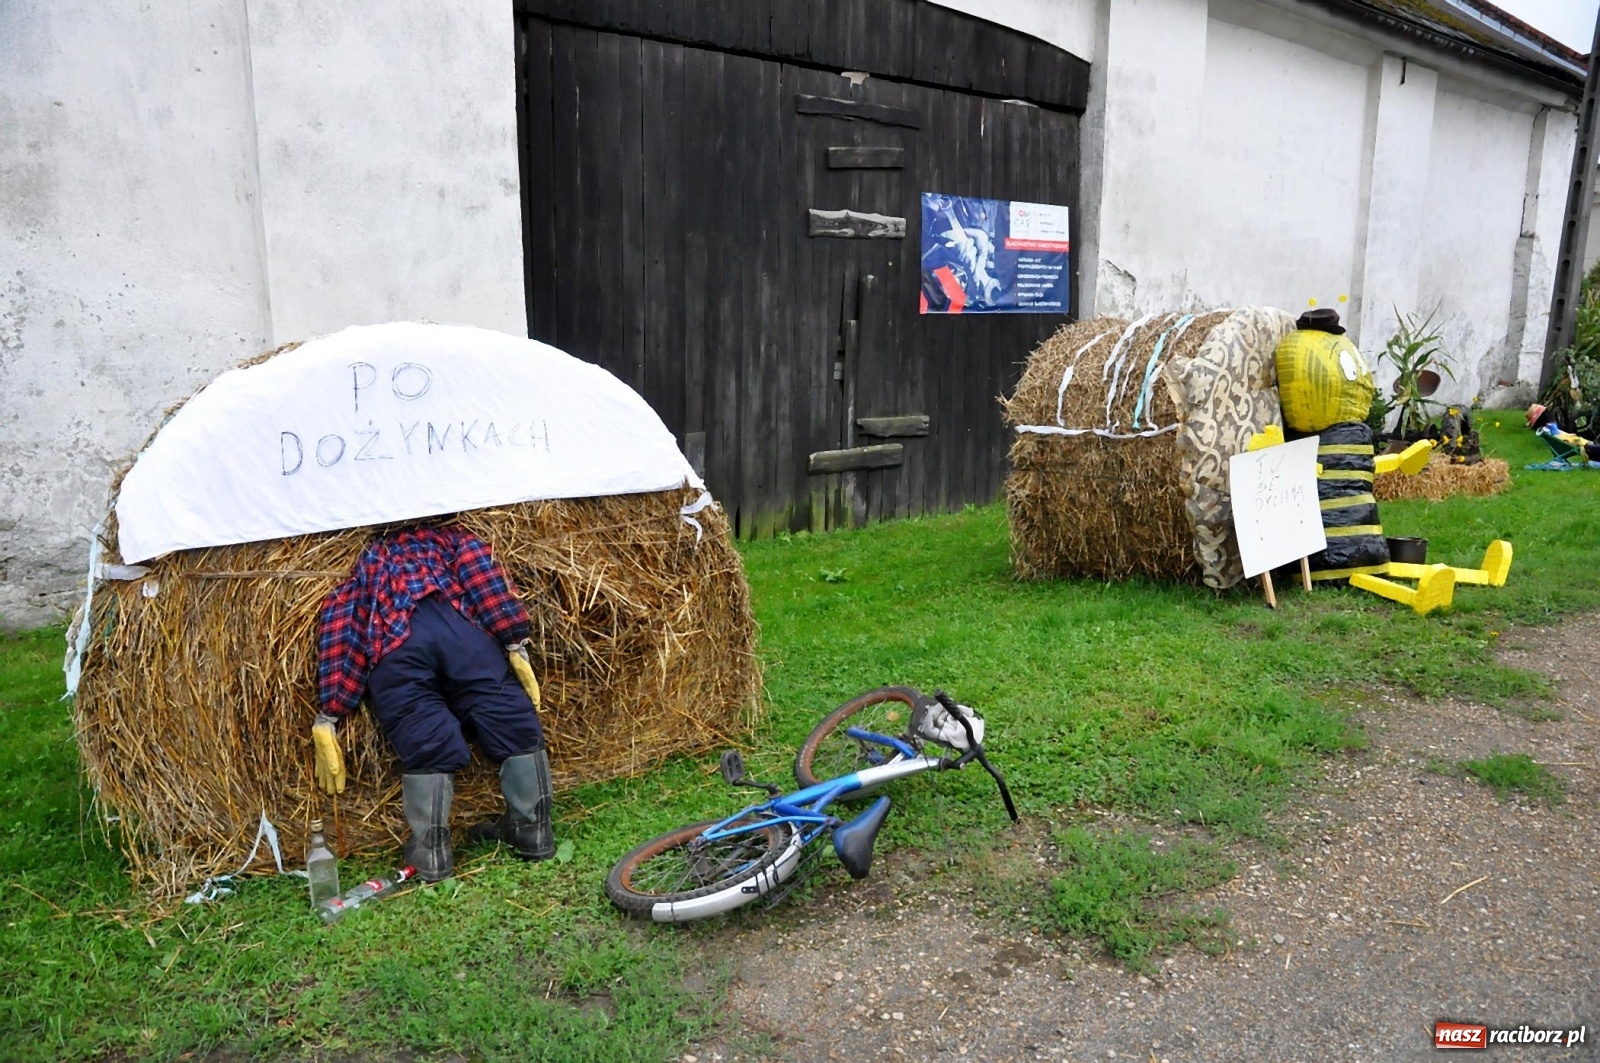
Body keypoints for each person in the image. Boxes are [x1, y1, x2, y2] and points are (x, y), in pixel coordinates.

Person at [309, 525, 553, 881]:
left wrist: (330, 712)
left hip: (397, 649)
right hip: (462, 635)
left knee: (427, 734)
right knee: (506, 716)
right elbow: (487, 582)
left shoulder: (363, 570)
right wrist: (514, 639)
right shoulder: (453, 540)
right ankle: (533, 831)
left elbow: (341, 632)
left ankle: (432, 853)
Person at [1527, 403, 1600, 464]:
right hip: (1580, 444)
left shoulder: (1546, 430)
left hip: (1579, 444)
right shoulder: (1550, 429)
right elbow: (1564, 438)